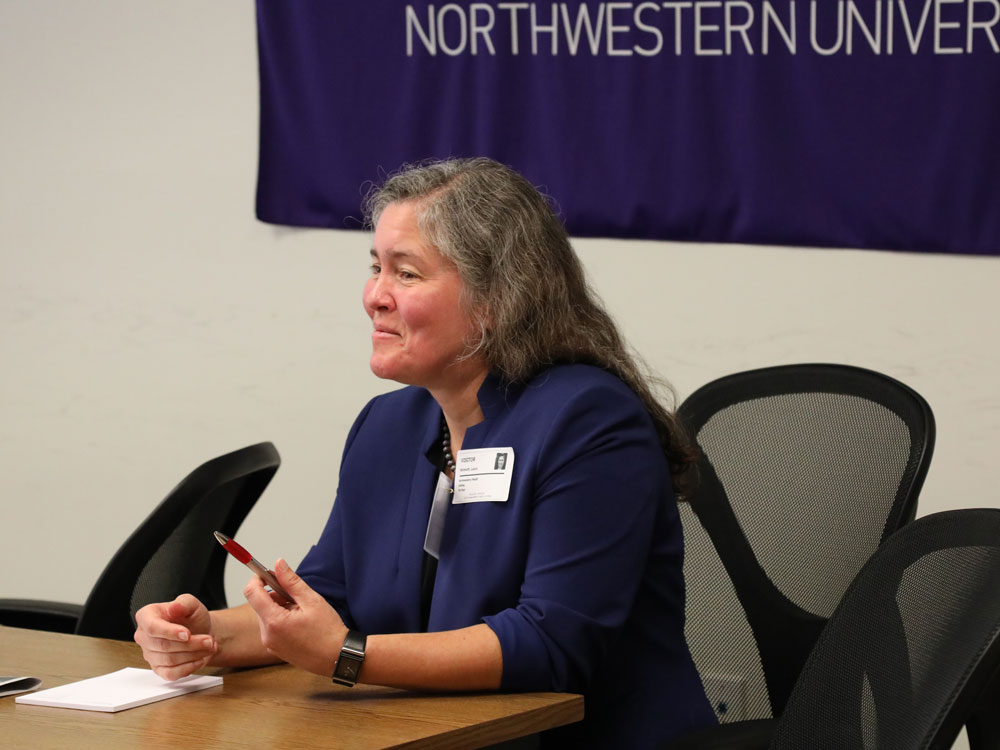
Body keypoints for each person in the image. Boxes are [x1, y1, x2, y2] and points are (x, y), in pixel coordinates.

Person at [134, 157, 716, 748]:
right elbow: (329, 596)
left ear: (497, 299)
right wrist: (210, 637)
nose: (374, 297)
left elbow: (552, 642)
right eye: (375, 268)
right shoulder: (388, 425)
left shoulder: (590, 421)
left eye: (406, 274)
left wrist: (348, 657)